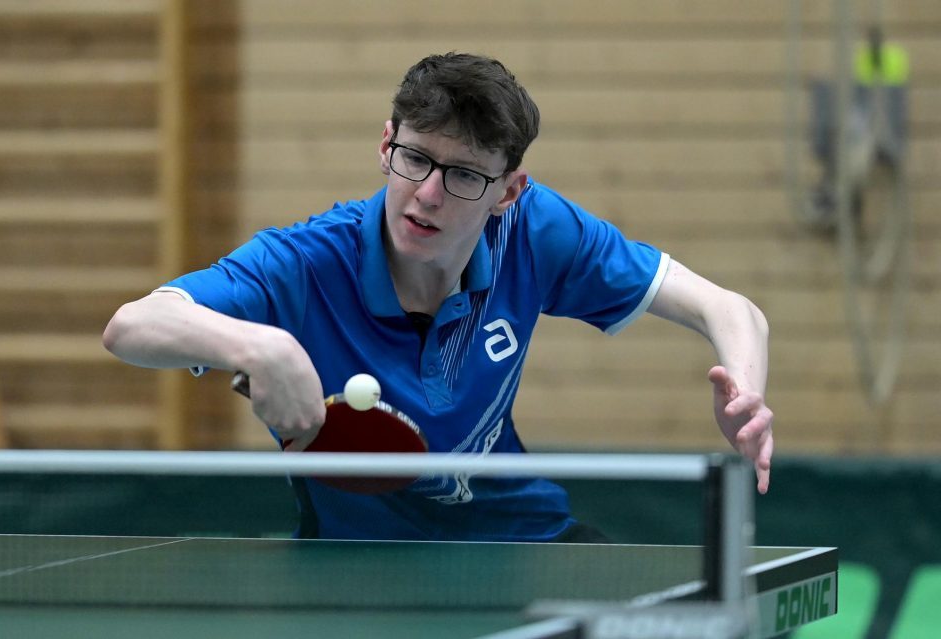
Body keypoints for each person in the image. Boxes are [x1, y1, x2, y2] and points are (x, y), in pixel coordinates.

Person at [103, 52, 773, 542]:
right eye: (416, 158)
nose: (427, 192)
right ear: (387, 144)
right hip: (357, 575)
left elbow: (731, 309)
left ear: (507, 191)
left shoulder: (534, 231)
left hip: (525, 544)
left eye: (462, 174)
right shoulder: (306, 264)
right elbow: (134, 325)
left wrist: (745, 394)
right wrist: (261, 343)